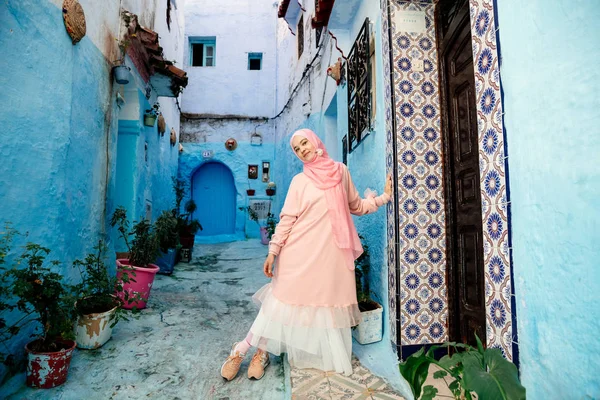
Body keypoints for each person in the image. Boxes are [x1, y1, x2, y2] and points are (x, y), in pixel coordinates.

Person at [220, 128, 392, 381]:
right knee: (281, 303)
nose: (302, 150)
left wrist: (384, 197)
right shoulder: (300, 181)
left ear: (315, 142)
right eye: (297, 149)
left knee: (323, 304)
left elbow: (356, 206)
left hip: (331, 255)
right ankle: (245, 349)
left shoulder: (340, 172)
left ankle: (262, 351)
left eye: (304, 144)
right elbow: (288, 218)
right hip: (298, 252)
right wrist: (273, 251)